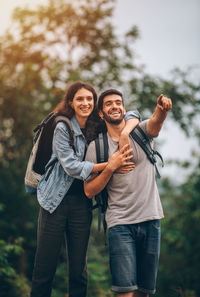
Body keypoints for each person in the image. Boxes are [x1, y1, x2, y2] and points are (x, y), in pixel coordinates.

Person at [30, 81, 140, 297]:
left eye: (89, 99)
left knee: (79, 271)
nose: (85, 103)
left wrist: (126, 132)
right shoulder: (62, 126)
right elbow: (71, 166)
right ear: (71, 102)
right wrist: (110, 165)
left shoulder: (97, 124)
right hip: (54, 201)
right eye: (80, 98)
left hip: (82, 203)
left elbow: (132, 113)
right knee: (45, 268)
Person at [84, 89, 172, 297]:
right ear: (101, 113)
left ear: (124, 108)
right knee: (125, 292)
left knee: (144, 292)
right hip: (120, 224)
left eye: (118, 102)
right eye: (108, 104)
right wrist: (110, 167)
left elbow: (156, 122)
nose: (114, 106)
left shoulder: (141, 132)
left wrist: (162, 110)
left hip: (151, 219)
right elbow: (89, 191)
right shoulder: (96, 147)